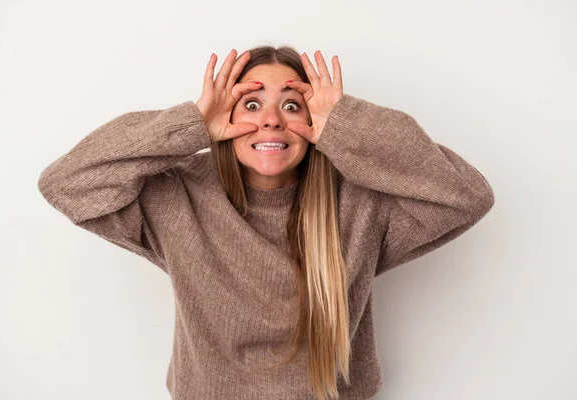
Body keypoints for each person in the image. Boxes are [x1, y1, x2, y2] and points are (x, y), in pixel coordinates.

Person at [37, 45, 495, 400]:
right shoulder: (176, 197)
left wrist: (347, 124)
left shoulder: (359, 201)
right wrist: (191, 122)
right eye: (251, 105)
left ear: (315, 123)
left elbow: (467, 196)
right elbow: (67, 183)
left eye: (293, 106)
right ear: (225, 118)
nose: (271, 120)